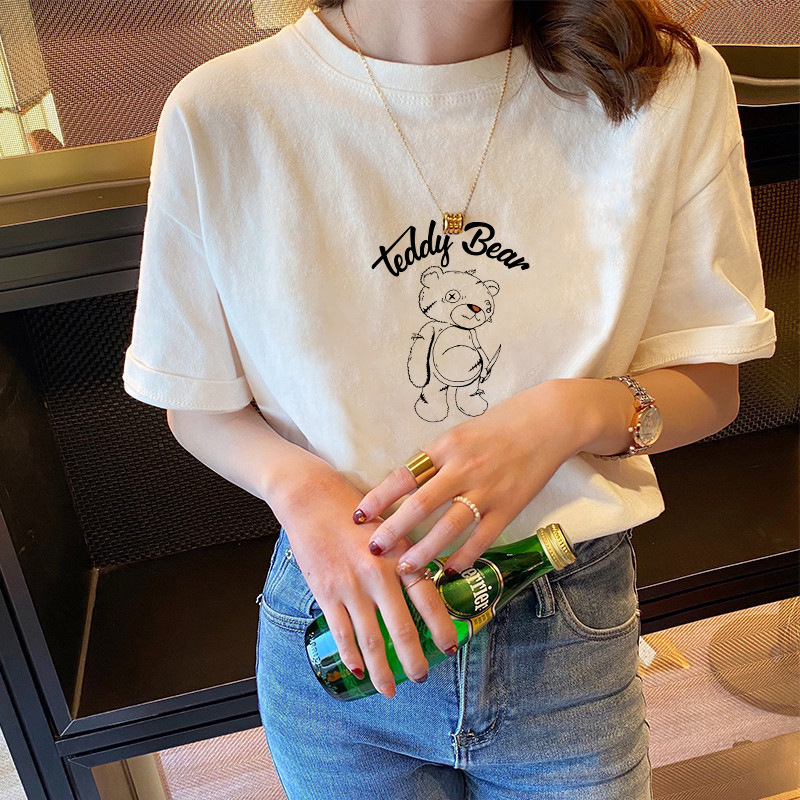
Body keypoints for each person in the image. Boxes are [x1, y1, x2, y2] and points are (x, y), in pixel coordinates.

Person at [122, 0, 777, 797]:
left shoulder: (659, 84)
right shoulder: (222, 112)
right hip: (342, 623)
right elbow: (197, 403)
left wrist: (564, 415)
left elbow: (712, 387)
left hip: (565, 629)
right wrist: (298, 486)